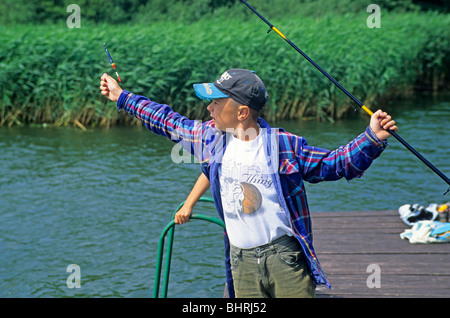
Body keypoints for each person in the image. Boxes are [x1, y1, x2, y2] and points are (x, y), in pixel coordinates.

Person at [100, 68, 398, 298]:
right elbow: (166, 121)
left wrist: (371, 139)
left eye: (216, 102)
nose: (209, 109)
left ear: (242, 112)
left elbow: (334, 164)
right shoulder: (211, 139)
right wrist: (121, 96)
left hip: (285, 258)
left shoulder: (282, 145)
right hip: (240, 260)